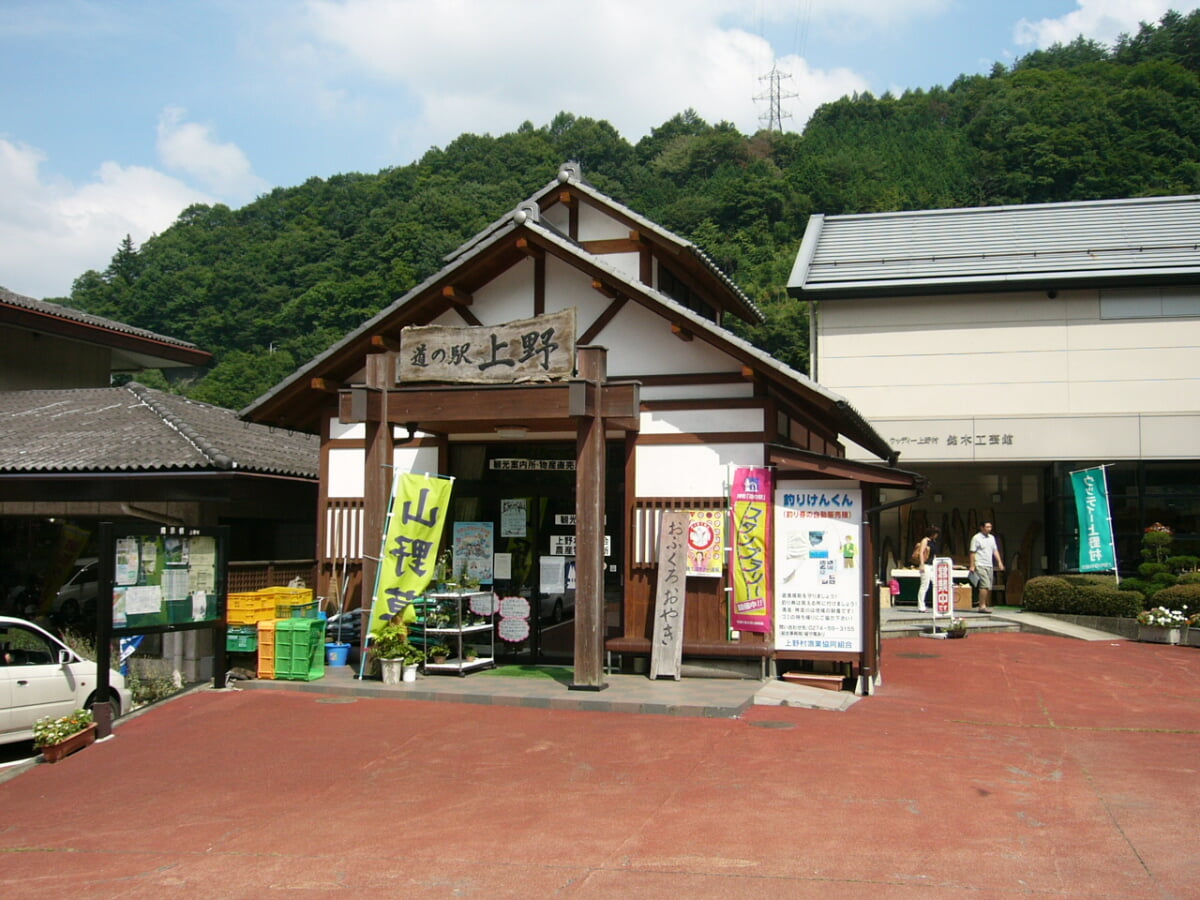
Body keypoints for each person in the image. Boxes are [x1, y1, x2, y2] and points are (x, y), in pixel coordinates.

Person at [970, 521, 1005, 613]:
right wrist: (972, 565)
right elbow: (972, 552)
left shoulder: (991, 538)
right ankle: (982, 606)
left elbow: (995, 550)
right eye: (987, 527)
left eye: (990, 527)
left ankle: (983, 603)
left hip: (989, 564)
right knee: (984, 585)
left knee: (988, 586)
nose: (989, 529)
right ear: (982, 528)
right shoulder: (976, 538)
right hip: (980, 563)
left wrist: (999, 562)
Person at [914, 525, 940, 612]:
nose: (937, 535)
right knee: (924, 585)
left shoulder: (934, 541)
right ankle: (921, 606)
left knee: (936, 583)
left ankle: (937, 603)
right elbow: (921, 552)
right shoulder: (925, 540)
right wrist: (922, 564)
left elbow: (934, 554)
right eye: (936, 534)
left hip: (933, 565)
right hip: (926, 565)